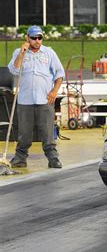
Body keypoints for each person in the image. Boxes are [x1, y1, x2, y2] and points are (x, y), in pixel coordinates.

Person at [8, 26, 65, 168]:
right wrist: (22, 53)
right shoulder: (19, 52)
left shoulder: (49, 53)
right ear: (27, 38)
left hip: (45, 99)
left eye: (39, 38)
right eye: (33, 38)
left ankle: (53, 158)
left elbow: (59, 74)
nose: (37, 41)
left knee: (47, 131)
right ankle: (20, 158)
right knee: (24, 132)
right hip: (25, 100)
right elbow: (14, 70)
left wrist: (54, 91)